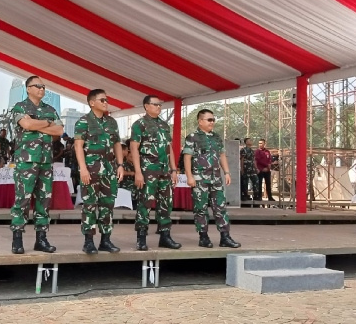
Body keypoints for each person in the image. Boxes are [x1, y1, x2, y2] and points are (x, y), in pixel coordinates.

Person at [10, 76, 64, 255]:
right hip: (26, 160)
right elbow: (25, 123)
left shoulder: (50, 109)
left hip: (46, 161)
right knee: (22, 200)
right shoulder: (20, 107)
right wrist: (47, 123)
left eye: (43, 87)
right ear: (28, 88)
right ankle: (17, 238)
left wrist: (36, 125)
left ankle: (41, 238)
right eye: (37, 86)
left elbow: (59, 130)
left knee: (44, 200)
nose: (42, 89)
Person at [74, 89, 124, 254]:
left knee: (107, 205)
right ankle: (88, 241)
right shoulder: (84, 122)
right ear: (92, 102)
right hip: (91, 169)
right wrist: (82, 168)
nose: (106, 102)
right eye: (102, 100)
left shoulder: (111, 122)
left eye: (106, 100)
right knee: (89, 205)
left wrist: (120, 165)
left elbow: (117, 144)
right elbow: (78, 146)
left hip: (109, 170)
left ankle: (106, 240)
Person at [183, 109, 241, 248]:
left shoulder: (216, 137)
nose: (212, 122)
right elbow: (187, 157)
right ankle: (203, 237)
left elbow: (221, 155)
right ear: (200, 121)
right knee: (200, 208)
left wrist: (227, 172)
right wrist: (189, 176)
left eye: (213, 120)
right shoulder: (192, 137)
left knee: (220, 207)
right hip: (200, 179)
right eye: (209, 120)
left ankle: (225, 237)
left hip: (216, 178)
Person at [130, 95, 181, 251]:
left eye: (160, 105)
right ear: (146, 106)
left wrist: (174, 169)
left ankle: (165, 236)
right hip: (148, 170)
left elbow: (169, 148)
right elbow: (134, 148)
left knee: (166, 203)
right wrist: (138, 172)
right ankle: (141, 237)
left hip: (165, 170)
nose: (159, 107)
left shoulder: (164, 125)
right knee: (145, 203)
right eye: (155, 104)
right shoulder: (139, 124)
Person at [240, 138, 260, 205]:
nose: (250, 142)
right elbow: (242, 160)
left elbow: (254, 160)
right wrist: (242, 169)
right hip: (246, 167)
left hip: (252, 168)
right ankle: (245, 195)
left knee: (256, 180)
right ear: (246, 142)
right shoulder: (243, 150)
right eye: (249, 140)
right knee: (245, 182)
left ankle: (256, 195)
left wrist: (256, 168)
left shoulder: (252, 151)